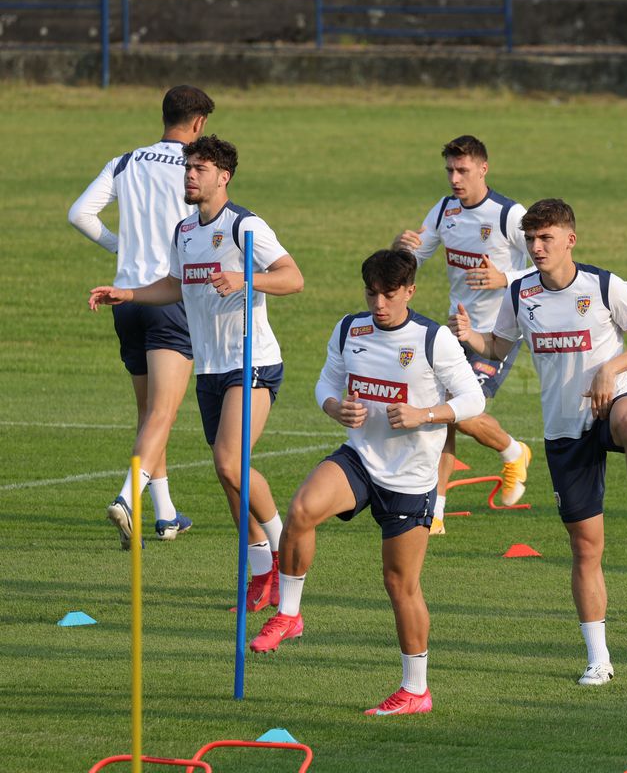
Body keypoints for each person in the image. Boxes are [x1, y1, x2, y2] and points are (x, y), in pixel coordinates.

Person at [451, 198, 627, 687]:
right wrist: (471, 337)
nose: (537, 247)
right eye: (531, 239)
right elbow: (499, 346)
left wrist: (610, 369)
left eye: (546, 238)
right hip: (562, 429)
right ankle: (599, 658)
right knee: (585, 548)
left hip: (611, 403)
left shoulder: (605, 286)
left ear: (569, 240)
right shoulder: (520, 293)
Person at [249, 249, 486, 717]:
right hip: (360, 459)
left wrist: (425, 414)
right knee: (301, 510)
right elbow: (325, 385)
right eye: (371, 293)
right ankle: (289, 614)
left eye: (389, 294)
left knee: (400, 585)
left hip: (411, 479)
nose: (379, 304)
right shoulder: (349, 329)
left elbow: (473, 399)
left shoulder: (433, 339)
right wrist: (334, 408)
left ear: (410, 291)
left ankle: (415, 691)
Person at [88, 135, 303, 611]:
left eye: (199, 169)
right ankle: (261, 573)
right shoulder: (185, 231)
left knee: (230, 463)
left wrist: (246, 279)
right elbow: (175, 285)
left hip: (251, 361)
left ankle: (285, 546)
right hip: (210, 367)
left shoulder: (245, 225)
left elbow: (293, 277)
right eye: (188, 167)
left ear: (223, 177)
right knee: (228, 477)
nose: (189, 175)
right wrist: (130, 294)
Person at [68, 84, 215, 547]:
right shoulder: (196, 168)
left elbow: (79, 214)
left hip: (127, 300)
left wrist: (121, 246)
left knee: (150, 415)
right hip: (168, 299)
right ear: (198, 123)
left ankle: (166, 514)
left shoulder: (126, 161)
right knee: (164, 413)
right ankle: (127, 499)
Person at [393, 135, 534, 533]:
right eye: (450, 171)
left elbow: (551, 264)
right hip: (454, 331)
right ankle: (435, 513)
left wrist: (505, 278)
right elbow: (408, 263)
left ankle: (513, 451)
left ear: (483, 169)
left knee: (459, 410)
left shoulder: (508, 214)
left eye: (463, 170)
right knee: (444, 415)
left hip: (498, 334)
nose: (455, 179)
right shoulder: (444, 210)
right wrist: (399, 247)